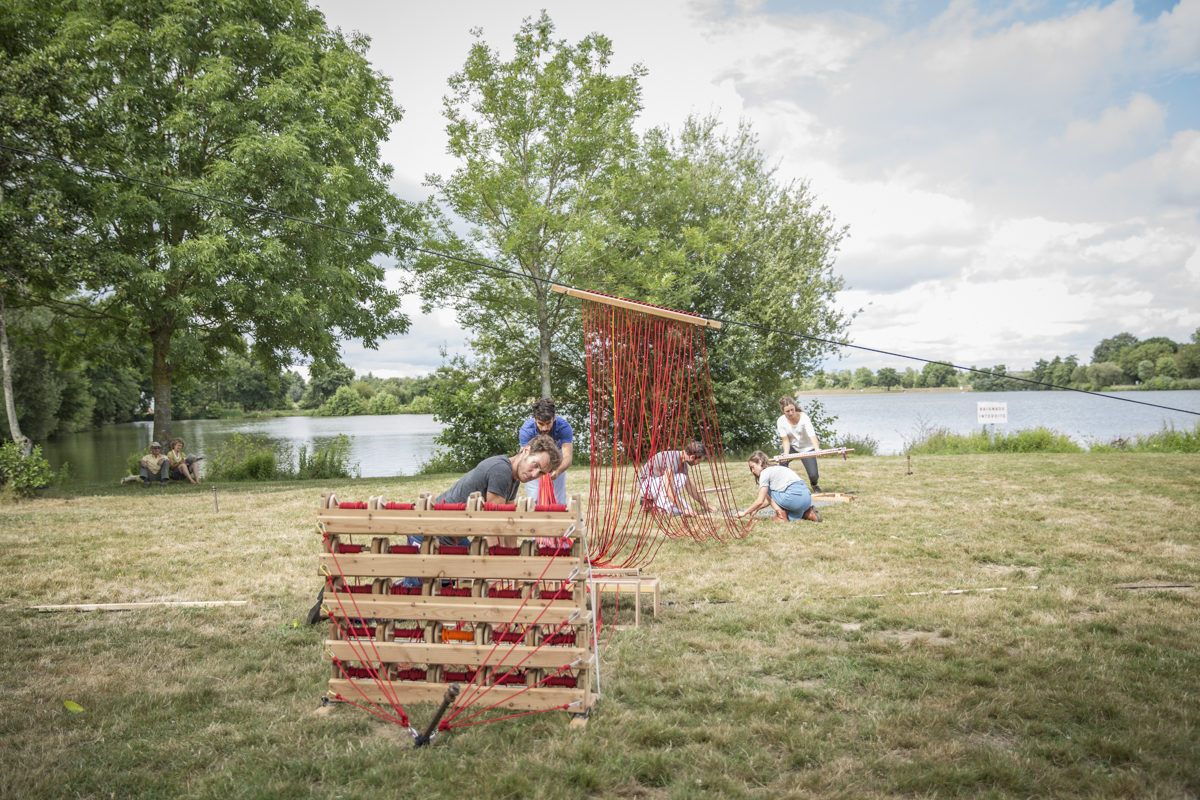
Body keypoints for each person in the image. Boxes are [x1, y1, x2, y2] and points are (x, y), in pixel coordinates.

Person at [517, 398, 573, 505]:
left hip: (556, 457)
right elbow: (524, 457)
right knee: (534, 498)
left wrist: (558, 471)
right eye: (541, 424)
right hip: (534, 457)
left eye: (548, 423)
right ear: (535, 419)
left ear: (554, 418)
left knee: (558, 499)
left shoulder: (564, 427)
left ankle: (560, 513)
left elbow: (567, 457)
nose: (544, 428)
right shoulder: (527, 430)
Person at [738, 450, 820, 522]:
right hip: (807, 498)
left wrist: (744, 512)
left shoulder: (764, 473)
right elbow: (769, 500)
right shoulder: (778, 468)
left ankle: (781, 517)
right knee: (789, 514)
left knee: (767, 491)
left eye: (753, 467)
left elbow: (761, 500)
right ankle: (808, 513)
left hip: (794, 498)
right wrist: (756, 509)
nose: (752, 471)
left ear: (759, 462)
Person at [638, 441, 712, 516]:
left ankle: (652, 502)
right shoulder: (673, 459)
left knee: (688, 510)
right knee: (681, 478)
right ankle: (657, 504)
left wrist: (706, 505)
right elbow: (668, 488)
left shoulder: (683, 464)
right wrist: (683, 509)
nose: (698, 463)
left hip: (658, 486)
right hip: (647, 485)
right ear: (692, 457)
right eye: (699, 461)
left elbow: (689, 487)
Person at [776, 396, 823, 493]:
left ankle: (814, 484)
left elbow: (812, 434)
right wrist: (786, 453)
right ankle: (786, 486)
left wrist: (817, 449)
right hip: (792, 447)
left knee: (813, 475)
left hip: (807, 448)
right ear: (783, 411)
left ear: (795, 407)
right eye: (787, 411)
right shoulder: (781, 421)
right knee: (782, 462)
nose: (791, 413)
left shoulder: (804, 417)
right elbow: (785, 440)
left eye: (792, 410)